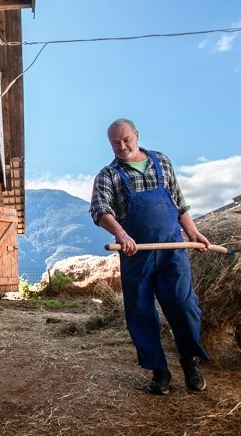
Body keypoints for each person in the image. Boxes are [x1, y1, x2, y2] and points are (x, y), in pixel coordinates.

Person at [90, 118, 210, 394]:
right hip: (136, 254)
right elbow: (99, 209)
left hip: (172, 250)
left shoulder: (161, 161)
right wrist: (121, 234)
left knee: (183, 304)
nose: (122, 146)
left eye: (126, 140)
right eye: (115, 143)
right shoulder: (108, 175)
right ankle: (159, 370)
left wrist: (193, 232)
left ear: (137, 135)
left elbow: (179, 203)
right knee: (141, 311)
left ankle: (190, 361)